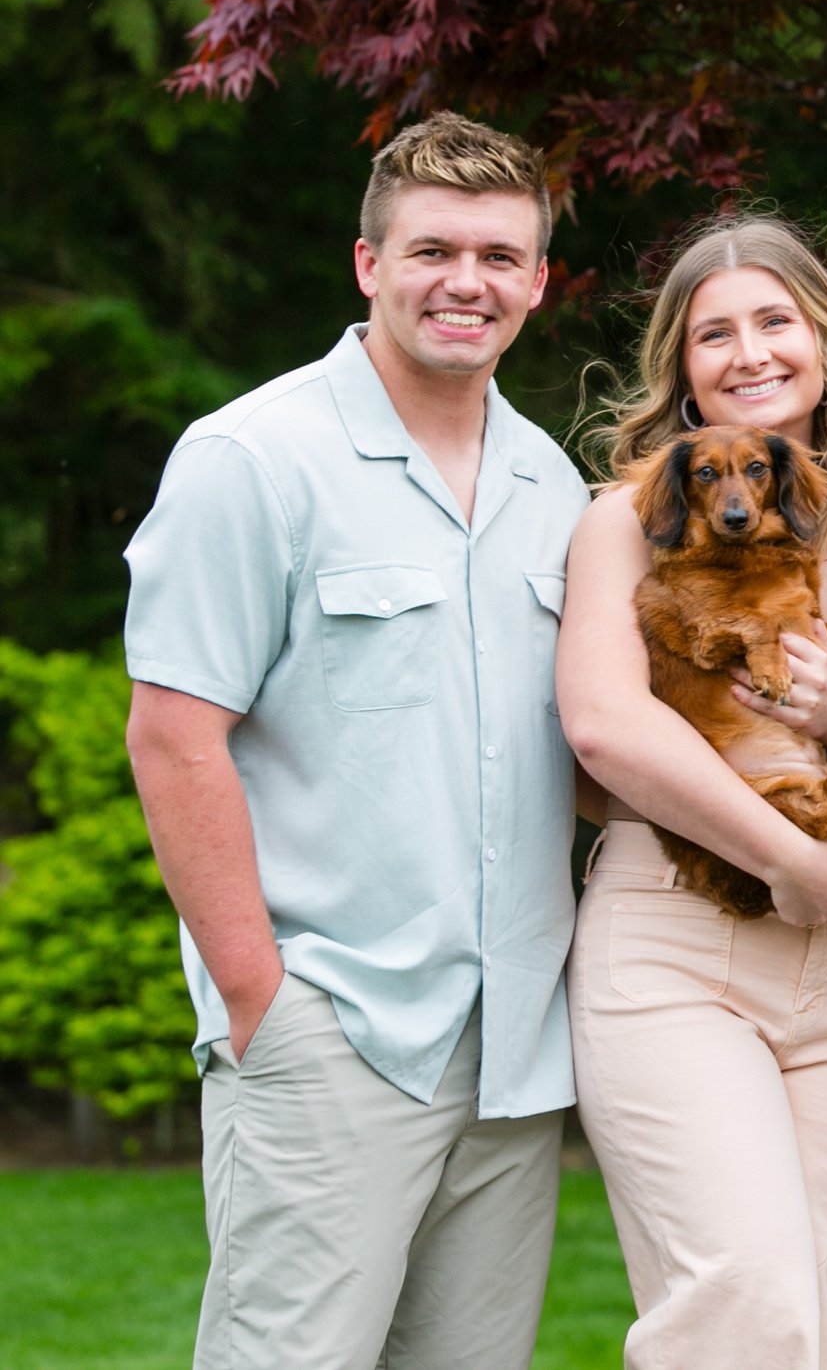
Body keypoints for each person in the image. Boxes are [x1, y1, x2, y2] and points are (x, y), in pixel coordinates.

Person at [122, 113, 585, 1368]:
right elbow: (173, 737)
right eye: (432, 248)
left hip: (513, 1047)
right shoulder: (252, 458)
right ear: (368, 263)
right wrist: (256, 997)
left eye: (500, 255)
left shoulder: (557, 487)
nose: (466, 281)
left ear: (538, 282)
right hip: (333, 1025)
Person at [558, 215, 827, 1368]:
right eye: (712, 333)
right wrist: (780, 850)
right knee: (746, 1303)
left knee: (819, 1317)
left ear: (824, 337)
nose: (749, 352)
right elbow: (604, 724)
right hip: (675, 936)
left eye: (774, 320)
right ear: (681, 369)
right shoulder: (626, 522)